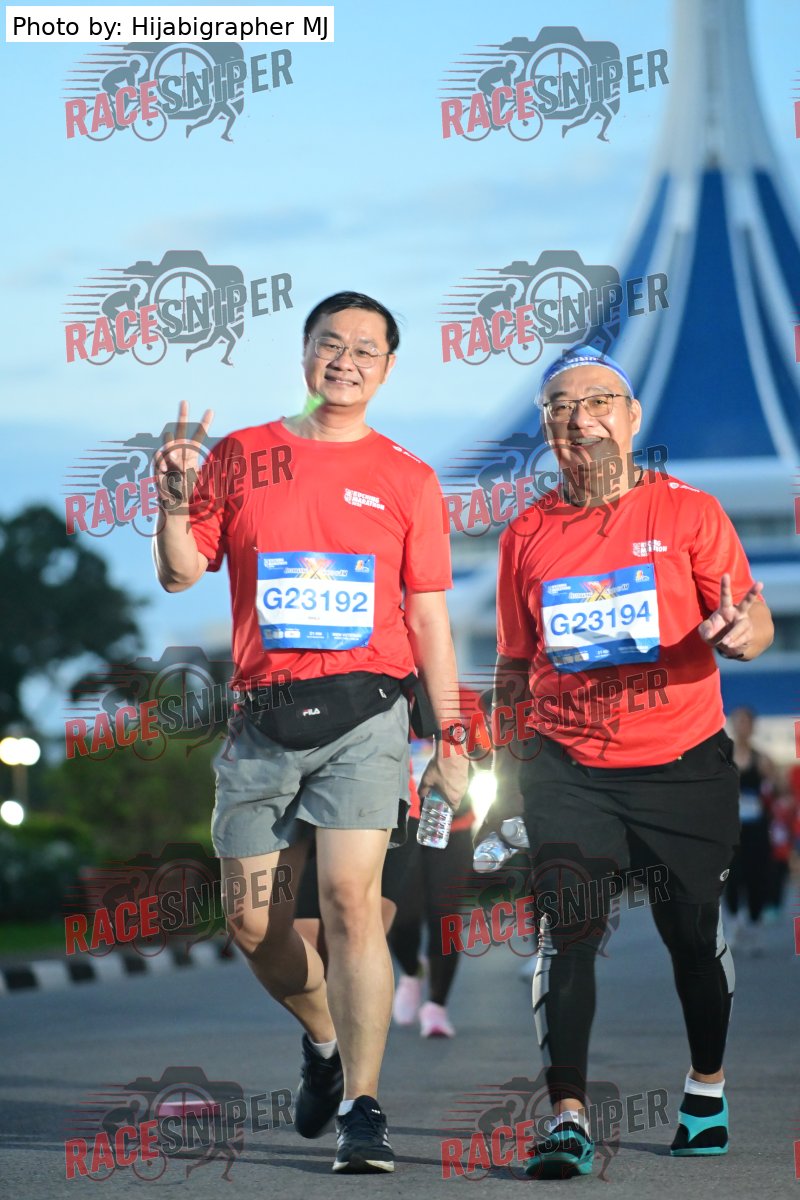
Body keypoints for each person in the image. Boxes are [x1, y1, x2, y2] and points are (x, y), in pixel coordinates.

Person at [153, 291, 469, 1174]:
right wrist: (172, 503)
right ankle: (325, 1041)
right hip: (263, 717)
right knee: (251, 921)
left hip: (368, 714)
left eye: (366, 349)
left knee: (349, 903)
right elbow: (181, 573)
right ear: (304, 353)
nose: (346, 360)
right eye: (331, 343)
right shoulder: (241, 455)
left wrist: (451, 735)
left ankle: (363, 1108)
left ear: (388, 369)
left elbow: (430, 617)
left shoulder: (408, 476)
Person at [484, 345, 773, 1177]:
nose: (580, 420)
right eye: (561, 407)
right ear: (547, 428)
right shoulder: (526, 534)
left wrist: (741, 635)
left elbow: (755, 620)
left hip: (684, 763)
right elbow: (514, 664)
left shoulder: (690, 514)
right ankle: (567, 1118)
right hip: (568, 766)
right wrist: (504, 771)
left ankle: (706, 1087)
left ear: (633, 417)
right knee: (567, 930)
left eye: (599, 402)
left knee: (691, 935)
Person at [723, 707, 774, 952]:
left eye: (747, 722)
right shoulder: (723, 758)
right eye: (739, 722)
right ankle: (734, 922)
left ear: (753, 726)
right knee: (731, 876)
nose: (743, 726)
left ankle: (755, 923)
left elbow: (776, 792)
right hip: (731, 829)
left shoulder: (762, 759)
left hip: (756, 830)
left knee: (756, 877)